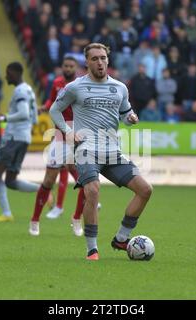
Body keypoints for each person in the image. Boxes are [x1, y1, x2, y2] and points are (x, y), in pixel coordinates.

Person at [49, 43, 153, 260]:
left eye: (103, 58)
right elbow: (54, 110)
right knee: (93, 191)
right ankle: (92, 249)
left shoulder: (120, 88)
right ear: (87, 62)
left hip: (112, 151)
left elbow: (126, 113)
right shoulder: (75, 87)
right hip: (86, 150)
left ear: (108, 60)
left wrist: (131, 119)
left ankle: (121, 239)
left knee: (145, 190)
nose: (100, 62)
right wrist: (68, 132)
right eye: (95, 58)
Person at [29, 56, 85, 237]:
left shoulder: (81, 84)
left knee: (87, 179)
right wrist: (44, 107)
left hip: (79, 132)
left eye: (71, 66)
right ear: (62, 67)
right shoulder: (57, 83)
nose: (68, 68)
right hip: (61, 133)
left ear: (75, 68)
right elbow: (51, 102)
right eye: (65, 65)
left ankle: (77, 218)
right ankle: (35, 220)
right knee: (48, 180)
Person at [0, 62, 39, 222]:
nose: (6, 76)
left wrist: (3, 118)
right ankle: (42, 190)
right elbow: (34, 118)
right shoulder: (29, 90)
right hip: (24, 138)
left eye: (8, 73)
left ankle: (6, 213)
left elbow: (24, 113)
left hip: (13, 138)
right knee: (10, 181)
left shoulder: (20, 90)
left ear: (15, 73)